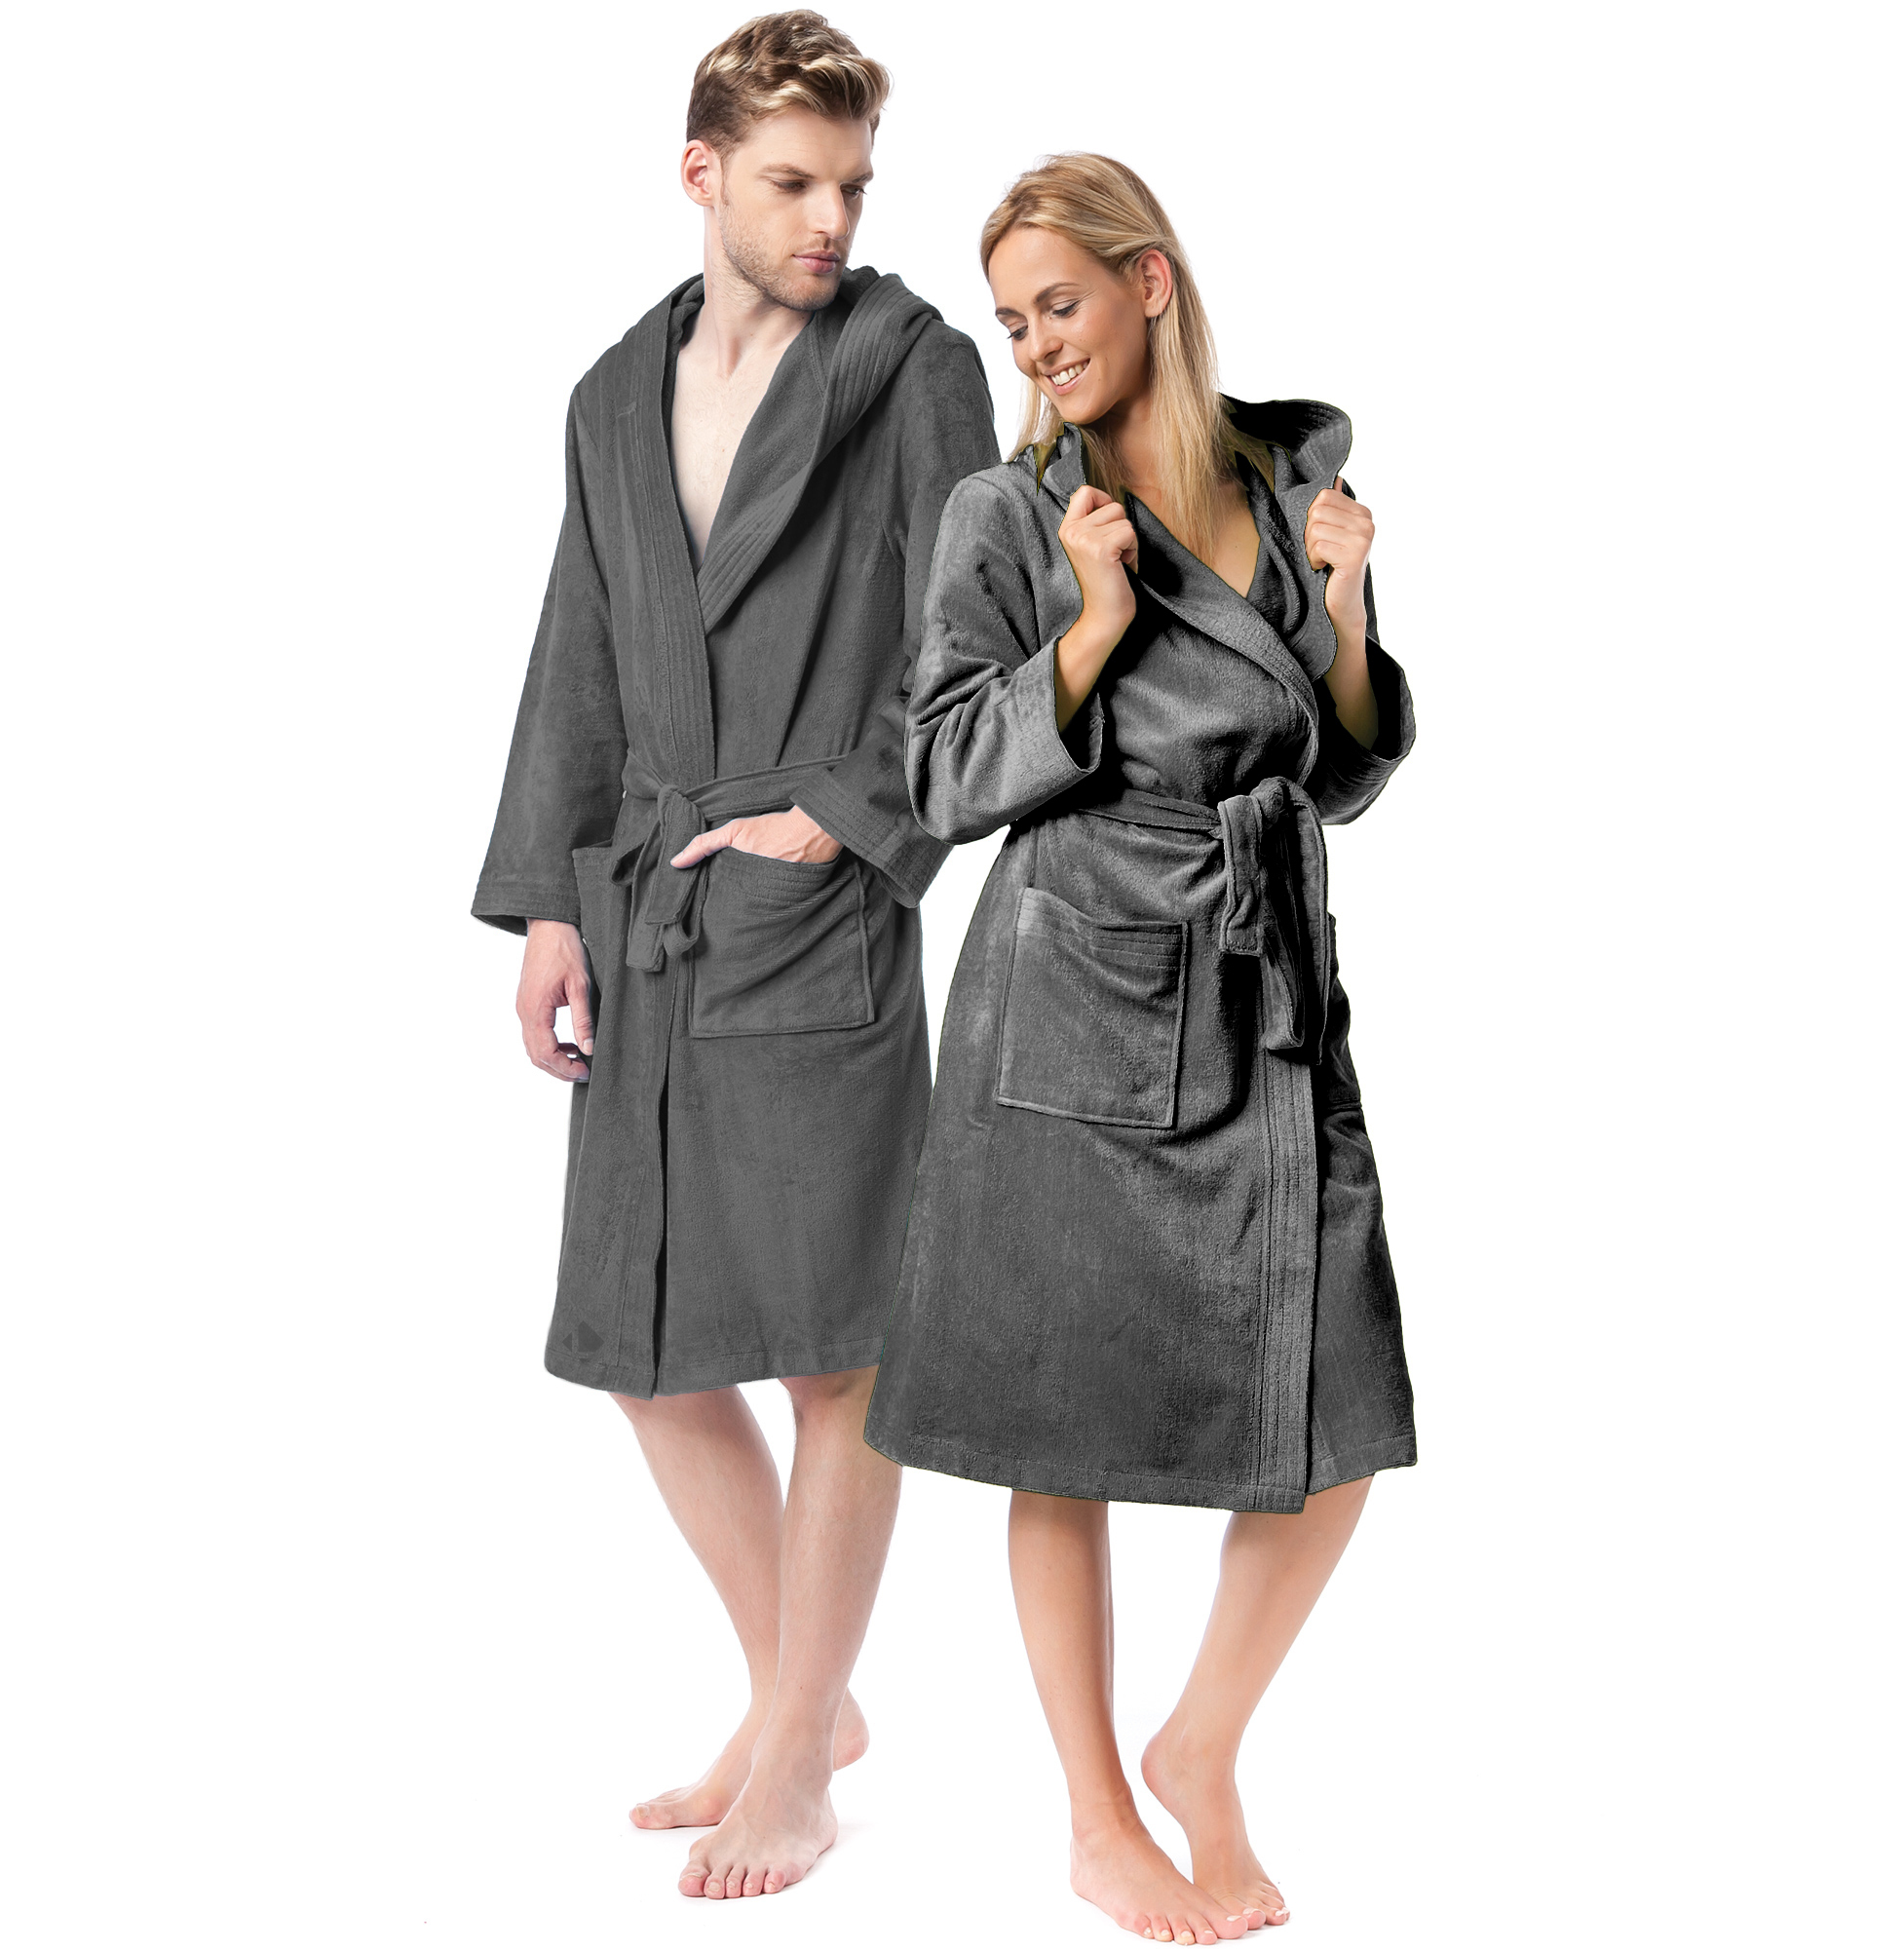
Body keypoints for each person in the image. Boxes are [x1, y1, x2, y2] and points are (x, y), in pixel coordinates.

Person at [471, 12, 997, 1901]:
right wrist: (551, 900)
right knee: (645, 1345)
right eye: (791, 181)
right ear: (699, 173)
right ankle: (807, 1699)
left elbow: (983, 635)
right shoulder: (614, 393)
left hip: (812, 906)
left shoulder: (913, 371)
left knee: (834, 1353)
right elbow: (581, 642)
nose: (830, 218)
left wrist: (843, 819)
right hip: (648, 909)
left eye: (852, 182)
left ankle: (794, 1753)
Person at [864, 154, 1418, 1945]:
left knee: (1340, 1416)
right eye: (1013, 321)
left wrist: (1347, 620)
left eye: (1062, 304)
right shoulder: (1009, 513)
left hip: (1266, 988)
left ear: (1151, 284)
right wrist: (1093, 629)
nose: (1038, 346)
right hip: (1075, 990)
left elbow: (1337, 772)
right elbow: (941, 773)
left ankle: (1200, 1745)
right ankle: (1098, 1820)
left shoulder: (1285, 485)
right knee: (1061, 1427)